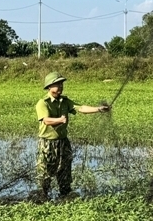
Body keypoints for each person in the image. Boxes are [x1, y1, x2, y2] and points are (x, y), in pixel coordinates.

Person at [35, 72, 109, 201]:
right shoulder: (42, 103)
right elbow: (46, 120)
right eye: (57, 84)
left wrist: (98, 109)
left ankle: (65, 195)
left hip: (63, 142)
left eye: (61, 84)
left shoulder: (65, 101)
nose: (61, 87)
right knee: (46, 171)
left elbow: (81, 108)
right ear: (49, 87)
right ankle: (43, 196)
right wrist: (60, 120)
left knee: (65, 169)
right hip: (48, 143)